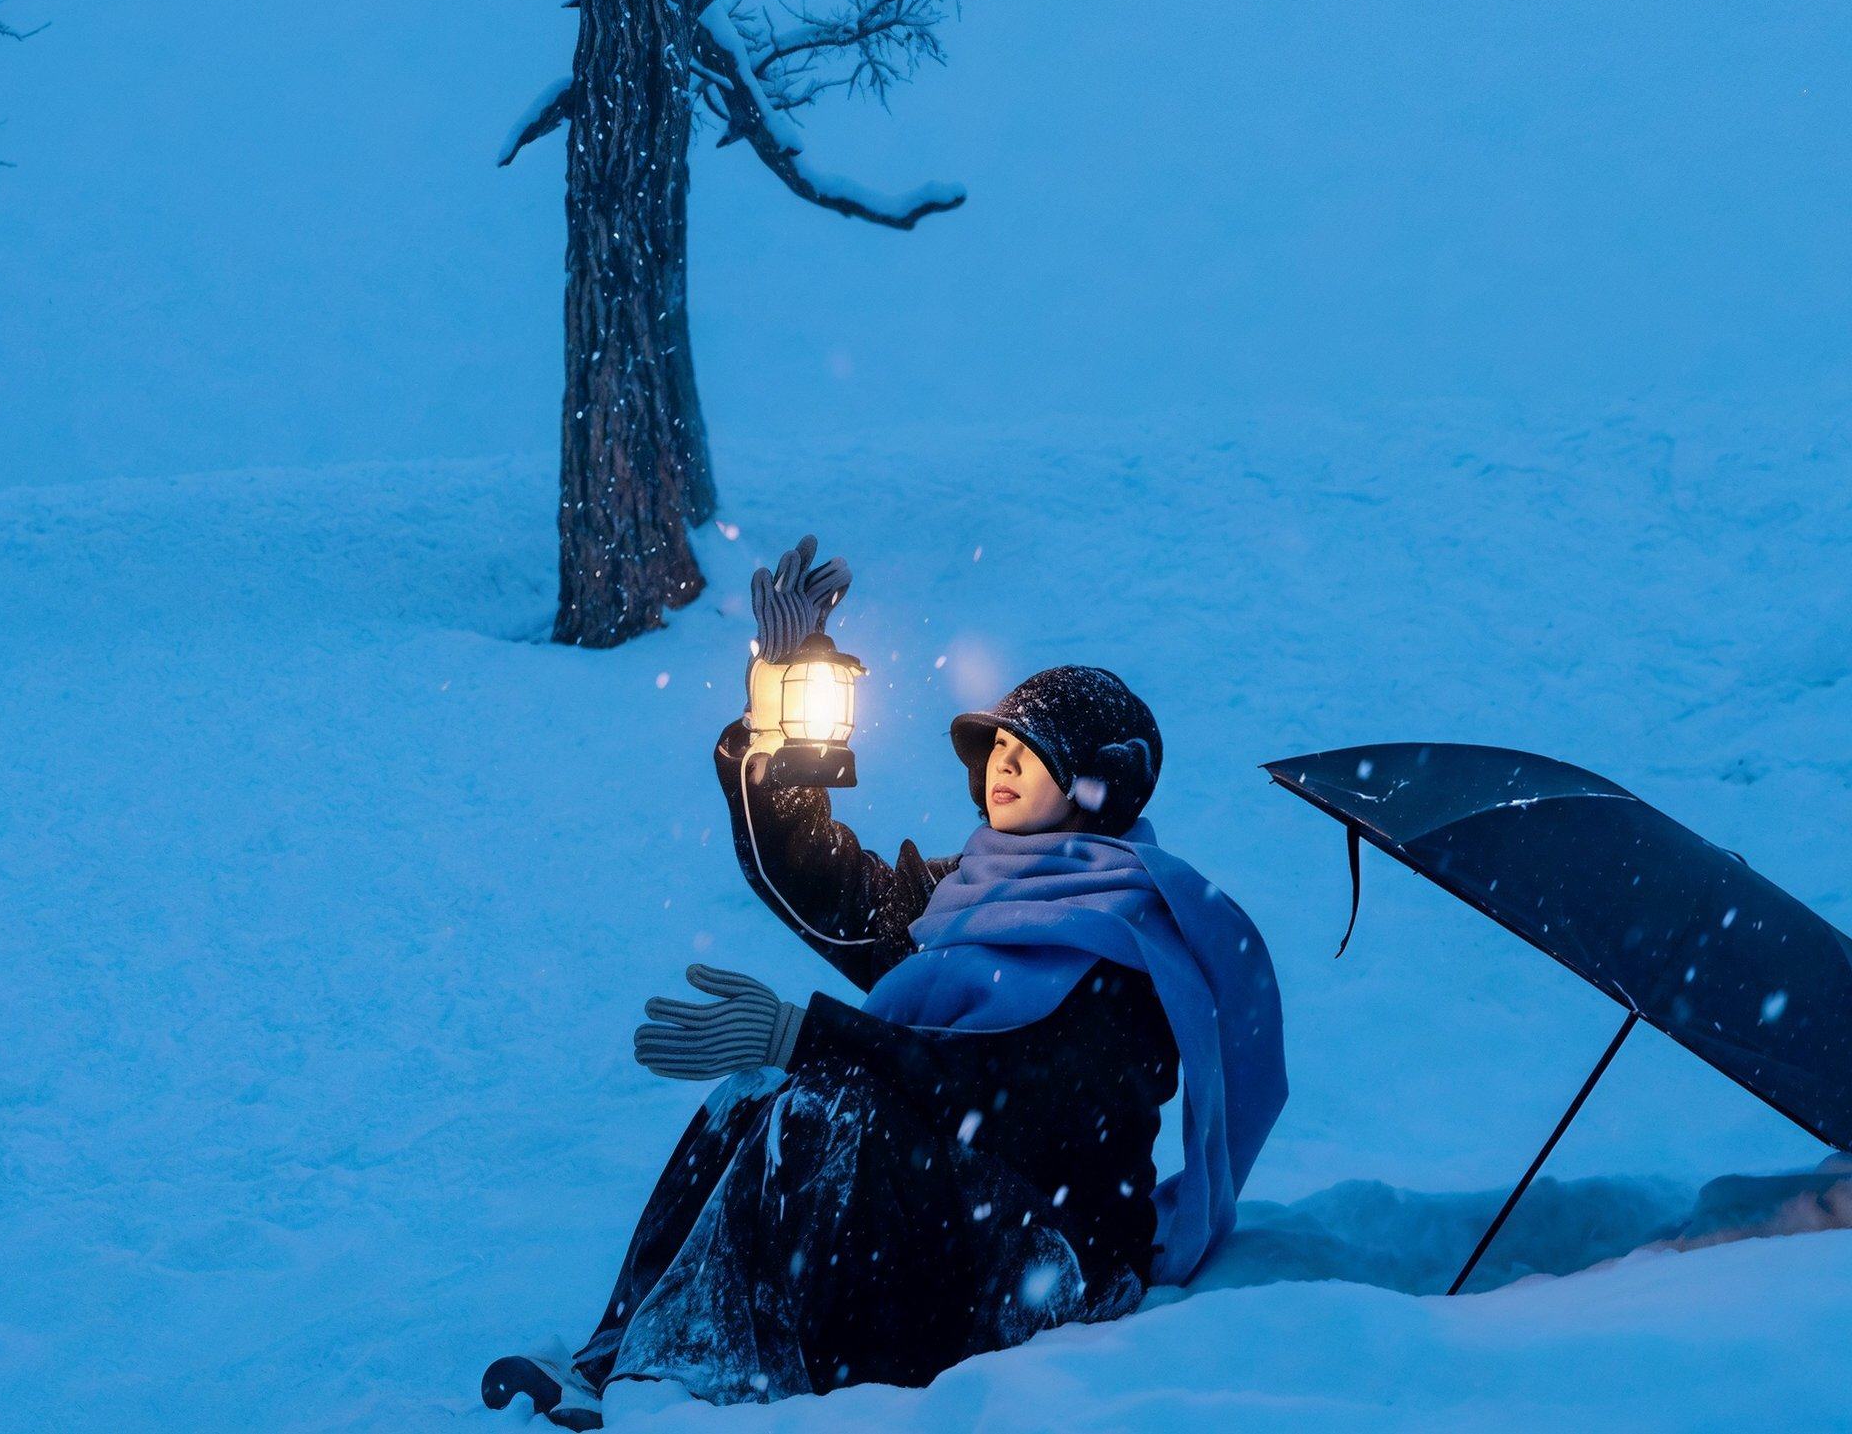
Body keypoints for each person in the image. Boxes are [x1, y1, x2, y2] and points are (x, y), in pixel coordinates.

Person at [483, 538, 1286, 1426]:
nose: (1003, 761)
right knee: (754, 1092)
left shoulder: (1131, 943)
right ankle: (625, 1359)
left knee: (825, 1105)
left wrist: (807, 1033)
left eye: (1033, 750)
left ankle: (709, 1385)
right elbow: (826, 890)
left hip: (1052, 1264)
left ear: (1098, 783)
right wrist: (775, 711)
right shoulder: (965, 894)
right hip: (955, 1221)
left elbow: (1010, 1099)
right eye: (999, 743)